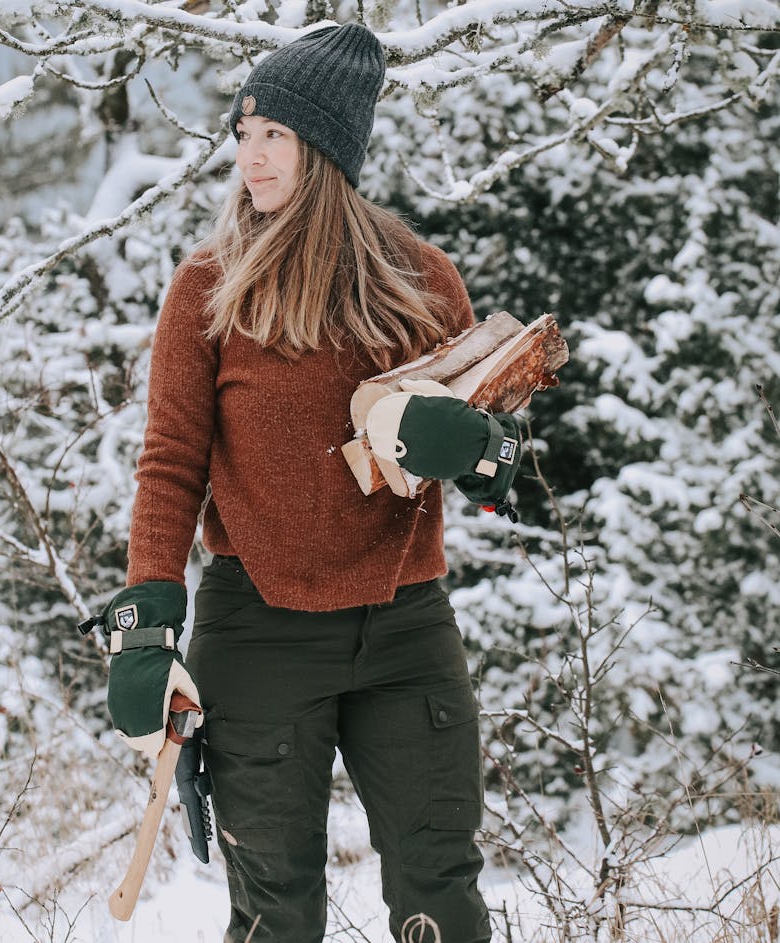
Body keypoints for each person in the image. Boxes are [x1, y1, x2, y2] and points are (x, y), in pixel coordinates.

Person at [99, 21, 519, 943]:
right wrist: (145, 623)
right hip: (259, 635)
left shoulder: (421, 282)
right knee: (276, 917)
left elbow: (508, 463)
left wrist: (480, 448)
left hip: (405, 627)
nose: (248, 158)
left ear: (324, 149)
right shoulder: (209, 289)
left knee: (442, 900)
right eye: (243, 134)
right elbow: (170, 462)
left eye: (273, 136)